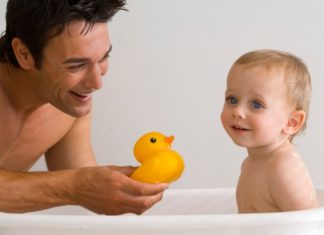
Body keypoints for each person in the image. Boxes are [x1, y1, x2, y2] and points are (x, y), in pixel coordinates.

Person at [0, 0, 168, 215]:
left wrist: (129, 188)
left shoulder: (66, 101)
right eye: (76, 65)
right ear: (24, 54)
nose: (97, 83)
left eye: (104, 57)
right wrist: (74, 186)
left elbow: (86, 184)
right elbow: (76, 184)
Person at [221, 49, 318, 213]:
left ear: (291, 122)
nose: (237, 111)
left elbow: (308, 225)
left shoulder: (285, 169)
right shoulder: (252, 162)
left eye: (256, 104)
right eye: (232, 99)